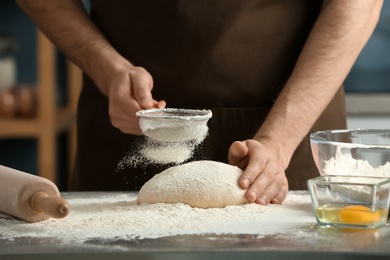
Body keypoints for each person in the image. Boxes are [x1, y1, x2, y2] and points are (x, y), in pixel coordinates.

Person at [16, 0, 383, 205]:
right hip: (130, 126)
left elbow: (358, 5)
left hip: (292, 132)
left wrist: (278, 140)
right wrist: (105, 66)